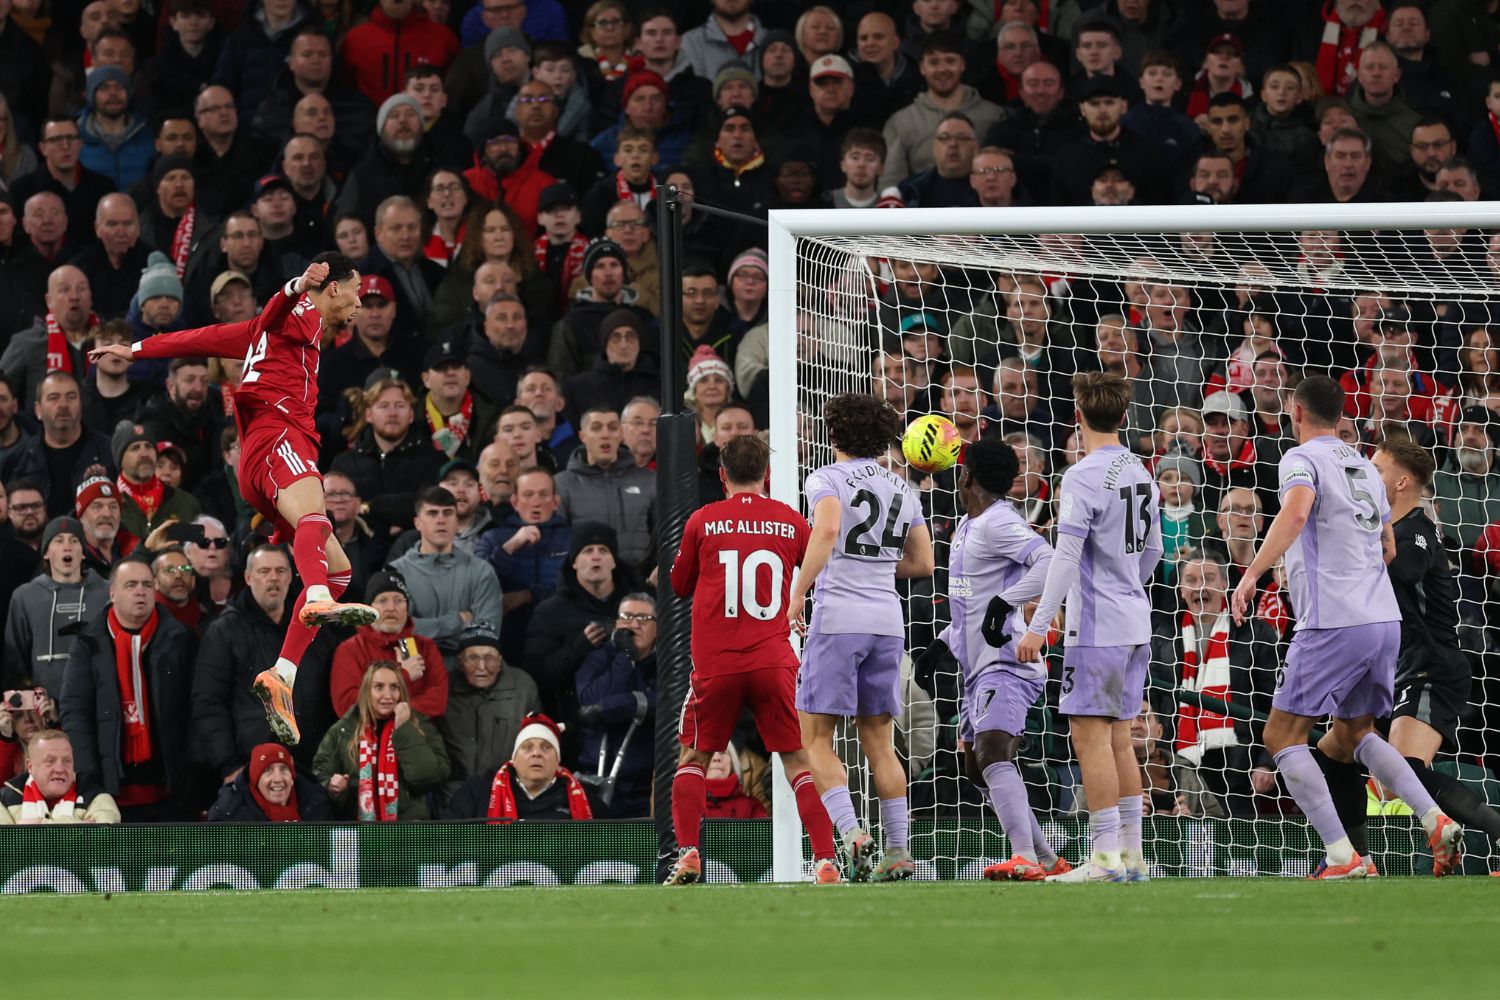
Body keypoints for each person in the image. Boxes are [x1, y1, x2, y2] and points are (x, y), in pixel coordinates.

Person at [90, 255, 379, 747]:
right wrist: (293, 286)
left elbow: (193, 339)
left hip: (258, 458)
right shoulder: (301, 313)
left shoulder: (256, 335)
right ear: (331, 290)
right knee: (317, 519)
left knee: (340, 569)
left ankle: (282, 674)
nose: (358, 308)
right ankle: (313, 597)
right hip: (276, 436)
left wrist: (134, 349)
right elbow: (274, 312)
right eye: (355, 295)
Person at [1228, 375, 1462, 879]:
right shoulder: (1361, 463)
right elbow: (1389, 545)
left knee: (1281, 735)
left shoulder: (1302, 459)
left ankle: (1342, 855)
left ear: (1295, 411)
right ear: (1340, 414)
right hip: (1383, 620)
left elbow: (1294, 513)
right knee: (1356, 731)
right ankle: (1433, 817)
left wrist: (1251, 574)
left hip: (1334, 620)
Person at [1313, 438, 1500, 867]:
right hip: (1393, 667)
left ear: (1399, 481)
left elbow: (1406, 567)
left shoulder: (1414, 529)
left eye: (1376, 470)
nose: (1367, 477)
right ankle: (1354, 858)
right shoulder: (1390, 529)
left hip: (1431, 666)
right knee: (1336, 751)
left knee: (1402, 772)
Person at [666, 434, 842, 883]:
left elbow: (678, 584)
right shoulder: (790, 521)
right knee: (798, 763)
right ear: (768, 475)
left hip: (717, 665)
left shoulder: (703, 521)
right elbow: (821, 572)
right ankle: (825, 859)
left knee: (693, 758)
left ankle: (688, 851)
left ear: (722, 475)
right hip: (774, 661)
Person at [1017, 372, 1162, 883]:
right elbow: (1155, 552)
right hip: (1135, 620)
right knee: (1120, 738)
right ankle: (1132, 857)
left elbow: (1065, 555)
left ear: (1079, 416)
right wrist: (1127, 584)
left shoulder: (1079, 476)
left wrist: (1037, 625)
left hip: (1097, 627)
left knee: (1089, 739)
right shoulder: (1142, 471)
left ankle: (1103, 859)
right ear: (1123, 417)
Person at [787, 393, 934, 882]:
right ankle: (899, 851)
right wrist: (874, 566)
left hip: (838, 618)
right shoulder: (902, 487)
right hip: (887, 622)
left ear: (834, 435)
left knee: (815, 736)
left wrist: (797, 592)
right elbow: (924, 563)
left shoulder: (825, 478)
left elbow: (827, 529)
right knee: (878, 739)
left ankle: (852, 834)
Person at [921, 439, 1069, 881]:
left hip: (1005, 661)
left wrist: (1005, 603)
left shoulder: (997, 523)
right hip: (977, 664)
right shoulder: (970, 525)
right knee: (975, 765)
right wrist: (942, 643)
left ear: (966, 476)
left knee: (991, 751)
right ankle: (1045, 857)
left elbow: (1050, 558)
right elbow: (971, 602)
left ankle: (1025, 857)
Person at [59, 556, 196, 821]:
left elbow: (195, 709)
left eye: (146, 584)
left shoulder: (181, 639)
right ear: (112, 593)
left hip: (170, 789)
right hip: (110, 791)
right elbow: (75, 712)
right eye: (130, 584)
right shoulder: (89, 643)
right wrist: (89, 779)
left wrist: (190, 774)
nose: (140, 591)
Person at [192, 544, 341, 780]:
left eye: (281, 571)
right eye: (264, 571)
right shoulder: (223, 631)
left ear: (291, 577)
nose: (274, 578)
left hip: (312, 764)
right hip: (251, 767)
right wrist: (228, 766)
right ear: (249, 578)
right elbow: (209, 703)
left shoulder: (313, 624)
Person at [313, 660, 451, 821]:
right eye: (379, 687)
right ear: (367, 691)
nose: (388, 695)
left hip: (407, 832)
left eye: (394, 687)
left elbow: (431, 777)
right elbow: (320, 776)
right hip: (357, 832)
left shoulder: (419, 725)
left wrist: (405, 730)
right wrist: (334, 788)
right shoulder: (343, 730)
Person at [387, 486, 504, 658]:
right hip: (417, 671)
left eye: (448, 513)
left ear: (456, 523)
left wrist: (423, 629)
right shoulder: (396, 572)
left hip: (468, 673)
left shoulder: (482, 571)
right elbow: (397, 633)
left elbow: (487, 635)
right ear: (417, 523)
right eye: (433, 513)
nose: (441, 520)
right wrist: (457, 622)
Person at [2, 516, 109, 699]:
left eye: (74, 541)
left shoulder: (108, 592)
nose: (67, 546)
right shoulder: (25, 596)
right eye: (58, 541)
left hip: (99, 703)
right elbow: (15, 664)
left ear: (83, 552)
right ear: (46, 553)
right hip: (45, 709)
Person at [330, 570, 449, 719]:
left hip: (415, 738)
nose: (391, 608)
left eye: (399, 600)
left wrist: (391, 712)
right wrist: (402, 676)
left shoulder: (425, 647)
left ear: (407, 607)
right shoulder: (350, 650)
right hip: (365, 739)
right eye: (383, 600)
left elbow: (437, 701)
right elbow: (346, 705)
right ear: (370, 608)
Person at [438, 619, 540, 792]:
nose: (482, 667)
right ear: (460, 662)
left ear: (500, 660)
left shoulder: (523, 686)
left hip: (508, 790)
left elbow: (537, 738)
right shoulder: (443, 688)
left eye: (489, 658)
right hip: (455, 794)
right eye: (473, 658)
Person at [444, 711, 602, 819]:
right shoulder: (477, 791)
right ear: (514, 759)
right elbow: (447, 842)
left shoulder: (584, 798)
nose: (536, 753)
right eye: (527, 747)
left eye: (546, 747)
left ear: (557, 761)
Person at [0, 729, 120, 824]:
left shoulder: (97, 796)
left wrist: (41, 824)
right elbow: (6, 850)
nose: (60, 769)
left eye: (67, 761)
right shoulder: (4, 800)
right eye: (50, 761)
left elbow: (104, 840)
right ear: (30, 766)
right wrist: (81, 826)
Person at [207, 741, 334, 821]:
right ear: (256, 780)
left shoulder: (316, 802)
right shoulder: (230, 812)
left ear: (292, 778)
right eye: (268, 770)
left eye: (284, 769)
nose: (278, 779)